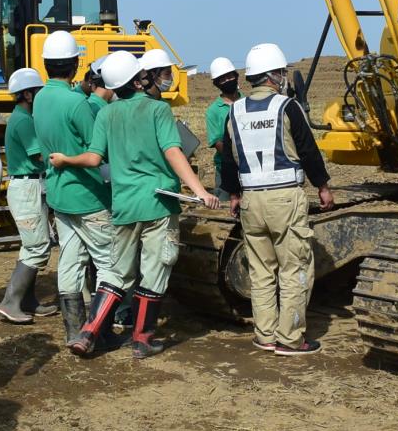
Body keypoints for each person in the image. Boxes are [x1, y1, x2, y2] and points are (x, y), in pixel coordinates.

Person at [52, 51, 218, 358]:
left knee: (117, 273)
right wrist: (200, 191)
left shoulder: (106, 114)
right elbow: (173, 152)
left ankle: (88, 332)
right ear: (138, 80)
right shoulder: (158, 110)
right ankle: (142, 340)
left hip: (124, 205)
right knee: (154, 270)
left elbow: (94, 159)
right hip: (158, 204)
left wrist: (65, 160)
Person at [219, 44, 333, 356]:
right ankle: (291, 339)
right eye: (282, 72)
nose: (284, 77)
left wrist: (233, 194)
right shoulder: (287, 107)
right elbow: (308, 151)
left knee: (261, 272)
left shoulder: (234, 111)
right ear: (272, 76)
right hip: (284, 198)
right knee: (294, 269)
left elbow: (228, 160)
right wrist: (323, 186)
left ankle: (265, 335)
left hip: (251, 201)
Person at [31, 30, 114, 347]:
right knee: (108, 264)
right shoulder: (76, 103)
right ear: (75, 65)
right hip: (88, 196)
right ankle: (98, 331)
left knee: (70, 260)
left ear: (46, 63)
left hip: (59, 195)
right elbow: (97, 153)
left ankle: (73, 330)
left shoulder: (40, 98)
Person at [0, 67, 58, 324]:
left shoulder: (22, 117)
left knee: (32, 243)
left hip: (29, 186)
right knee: (37, 246)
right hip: (27, 188)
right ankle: (10, 302)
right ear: (28, 94)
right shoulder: (23, 121)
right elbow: (40, 155)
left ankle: (27, 300)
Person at [204, 56, 240, 201]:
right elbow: (218, 143)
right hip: (226, 170)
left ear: (236, 76)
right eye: (222, 79)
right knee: (226, 208)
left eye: (229, 76)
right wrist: (239, 158)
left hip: (251, 169)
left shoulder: (248, 102)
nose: (227, 81)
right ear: (217, 84)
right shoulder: (213, 111)